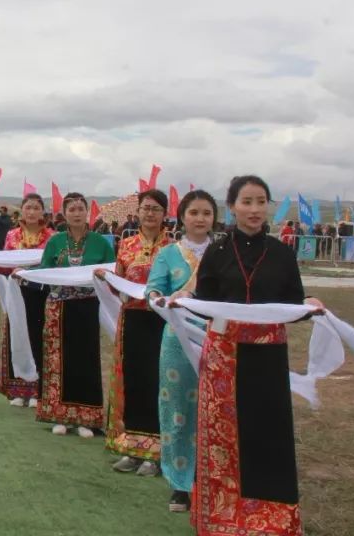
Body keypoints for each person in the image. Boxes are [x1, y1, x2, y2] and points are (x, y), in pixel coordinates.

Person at [182, 175, 323, 535]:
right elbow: (204, 302)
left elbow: (293, 301)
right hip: (223, 356)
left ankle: (271, 519)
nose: (255, 210)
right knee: (222, 435)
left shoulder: (281, 253)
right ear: (232, 206)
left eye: (262, 202)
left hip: (267, 357)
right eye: (247, 202)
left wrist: (309, 305)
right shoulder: (217, 251)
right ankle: (221, 516)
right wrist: (177, 303)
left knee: (268, 431)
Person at [144, 189, 217, 513]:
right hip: (177, 337)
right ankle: (180, 483)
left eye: (206, 212)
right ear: (182, 216)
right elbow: (152, 290)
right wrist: (161, 298)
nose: (200, 218)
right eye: (194, 212)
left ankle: (212, 480)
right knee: (177, 408)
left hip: (219, 336)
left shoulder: (224, 252)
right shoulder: (168, 254)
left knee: (215, 407)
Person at [100, 189, 173, 476]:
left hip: (163, 322)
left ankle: (156, 453)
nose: (150, 213)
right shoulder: (126, 245)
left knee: (159, 381)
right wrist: (105, 278)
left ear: (165, 214)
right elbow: (118, 282)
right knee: (133, 380)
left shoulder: (173, 249)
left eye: (156, 209)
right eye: (145, 208)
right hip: (132, 320)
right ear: (138, 211)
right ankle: (132, 447)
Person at [34, 192, 115, 437]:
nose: (77, 213)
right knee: (57, 359)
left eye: (81, 209)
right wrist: (23, 272)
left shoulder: (101, 243)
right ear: (64, 213)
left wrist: (105, 276)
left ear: (87, 212)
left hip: (88, 306)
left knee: (86, 358)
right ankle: (60, 415)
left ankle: (86, 418)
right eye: (72, 209)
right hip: (58, 307)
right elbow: (44, 268)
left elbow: (112, 271)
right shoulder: (56, 242)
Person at [0, 194, 55, 407]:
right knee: (17, 334)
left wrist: (30, 271)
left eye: (36, 208)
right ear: (21, 210)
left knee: (38, 335)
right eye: (28, 207)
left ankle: (37, 389)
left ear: (43, 211)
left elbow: (52, 265)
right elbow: (4, 261)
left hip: (41, 292)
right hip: (17, 291)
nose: (31, 212)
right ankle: (18, 388)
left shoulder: (51, 237)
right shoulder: (12, 236)